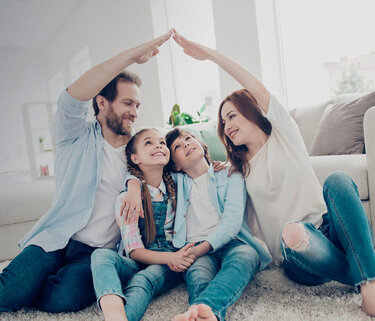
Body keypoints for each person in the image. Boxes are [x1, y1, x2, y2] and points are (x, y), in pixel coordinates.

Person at [172, 30, 375, 316]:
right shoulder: (237, 171)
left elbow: (255, 86)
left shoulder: (284, 135)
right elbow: (220, 206)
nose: (227, 125)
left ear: (252, 110)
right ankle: (361, 268)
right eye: (223, 122)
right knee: (292, 232)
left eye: (232, 115)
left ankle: (369, 285)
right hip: (297, 255)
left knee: (338, 180)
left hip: (330, 229)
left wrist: (211, 55)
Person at [0, 30, 174, 313]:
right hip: (56, 238)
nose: (135, 112)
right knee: (8, 294)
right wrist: (131, 56)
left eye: (138, 105)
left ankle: (26, 280)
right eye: (127, 103)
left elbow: (172, 156)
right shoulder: (74, 136)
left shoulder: (138, 150)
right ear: (102, 103)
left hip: (96, 253)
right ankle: (21, 279)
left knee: (65, 300)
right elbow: (69, 100)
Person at [163, 128, 271, 321]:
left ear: (202, 146)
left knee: (246, 256)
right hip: (194, 245)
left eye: (188, 138)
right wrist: (133, 184)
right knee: (198, 275)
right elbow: (146, 173)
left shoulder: (230, 173)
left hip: (233, 242)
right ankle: (207, 315)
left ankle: (200, 310)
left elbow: (232, 222)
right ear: (176, 165)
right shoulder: (175, 182)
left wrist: (199, 250)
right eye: (177, 146)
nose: (186, 144)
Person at [91, 128, 196, 321]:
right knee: (100, 256)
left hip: (169, 261)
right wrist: (133, 185)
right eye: (148, 142)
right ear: (135, 158)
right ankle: (114, 314)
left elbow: (199, 169)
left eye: (162, 143)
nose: (158, 145)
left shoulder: (179, 183)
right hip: (137, 260)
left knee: (142, 280)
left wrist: (218, 165)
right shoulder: (128, 199)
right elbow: (134, 252)